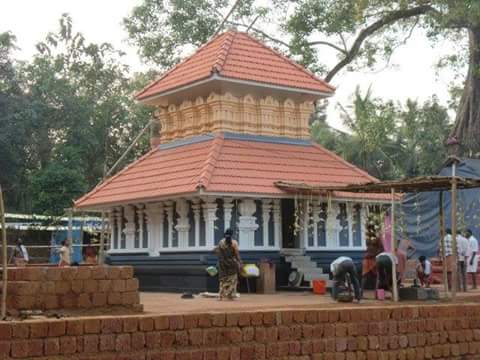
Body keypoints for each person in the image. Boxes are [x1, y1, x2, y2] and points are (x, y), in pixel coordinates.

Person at [214, 229, 242, 300]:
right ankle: (230, 295)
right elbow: (237, 254)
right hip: (231, 264)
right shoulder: (234, 243)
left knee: (223, 280)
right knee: (233, 280)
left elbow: (217, 251)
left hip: (222, 264)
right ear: (232, 235)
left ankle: (221, 296)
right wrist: (240, 262)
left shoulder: (221, 242)